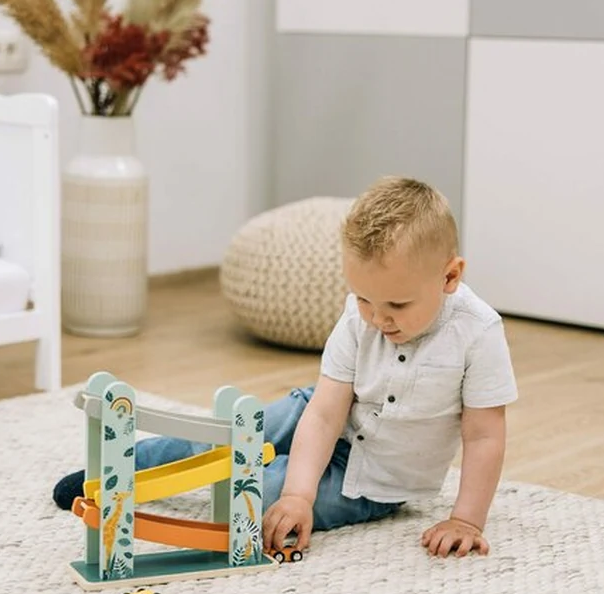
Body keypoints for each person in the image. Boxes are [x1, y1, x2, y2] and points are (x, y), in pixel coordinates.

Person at [51, 176, 518, 558]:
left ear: (450, 276)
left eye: (397, 304)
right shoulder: (360, 317)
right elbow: (326, 412)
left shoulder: (477, 333)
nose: (377, 318)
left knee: (255, 497)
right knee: (225, 435)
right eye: (364, 299)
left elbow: (484, 436)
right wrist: (301, 493)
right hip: (319, 415)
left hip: (374, 479)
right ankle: (124, 467)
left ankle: (258, 473)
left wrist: (466, 520)